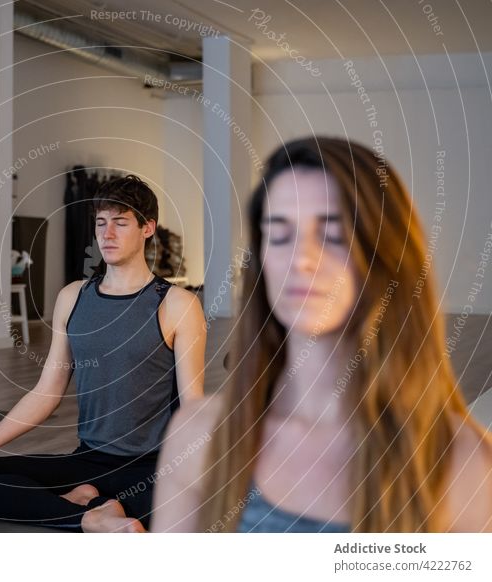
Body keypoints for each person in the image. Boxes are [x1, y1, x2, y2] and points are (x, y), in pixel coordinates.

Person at [153, 136, 492, 533]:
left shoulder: (463, 462)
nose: (301, 259)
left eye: (331, 235)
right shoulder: (198, 435)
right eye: (279, 235)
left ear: (384, 255)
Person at [0, 175, 206, 532]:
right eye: (100, 223)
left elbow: (193, 407)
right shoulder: (74, 297)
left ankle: (85, 500)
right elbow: (47, 391)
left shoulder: (177, 304)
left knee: (185, 502)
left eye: (120, 222)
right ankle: (93, 511)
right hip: (87, 458)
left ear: (147, 228)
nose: (107, 234)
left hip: (154, 466)